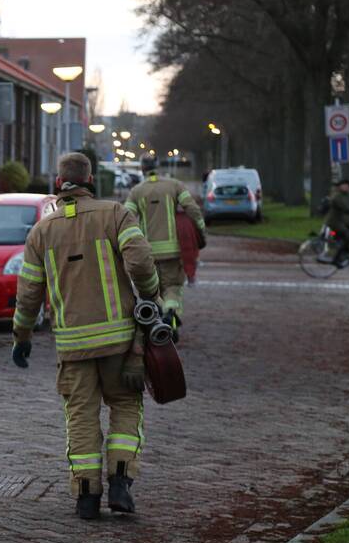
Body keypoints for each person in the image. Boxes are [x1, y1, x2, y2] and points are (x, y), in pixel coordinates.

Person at [12, 153, 159, 520]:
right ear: (90, 178)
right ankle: (121, 481)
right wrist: (152, 296)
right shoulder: (115, 214)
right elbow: (140, 261)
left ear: (58, 183)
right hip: (120, 343)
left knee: (80, 416)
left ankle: (86, 494)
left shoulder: (41, 232)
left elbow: (29, 292)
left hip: (73, 347)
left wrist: (22, 336)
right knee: (125, 406)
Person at [125, 153, 205, 332]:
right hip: (173, 252)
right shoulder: (175, 185)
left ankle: (156, 325)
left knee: (151, 291)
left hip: (148, 253)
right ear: (157, 166)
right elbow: (192, 209)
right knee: (172, 288)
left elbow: (126, 217)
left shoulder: (137, 191)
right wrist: (201, 231)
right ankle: (170, 315)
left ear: (142, 168)